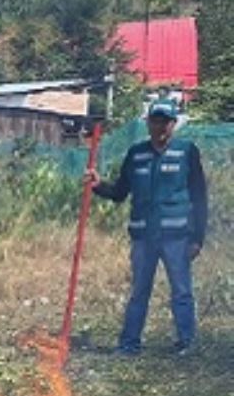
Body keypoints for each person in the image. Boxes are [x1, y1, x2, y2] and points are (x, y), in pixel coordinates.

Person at [86, 99, 210, 355]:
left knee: (182, 291)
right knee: (139, 292)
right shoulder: (136, 154)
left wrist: (198, 237)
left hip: (177, 237)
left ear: (174, 124)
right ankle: (129, 344)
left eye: (166, 121)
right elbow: (120, 192)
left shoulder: (187, 152)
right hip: (143, 237)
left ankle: (186, 342)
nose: (160, 126)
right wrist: (98, 185)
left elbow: (199, 197)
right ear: (148, 123)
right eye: (156, 120)